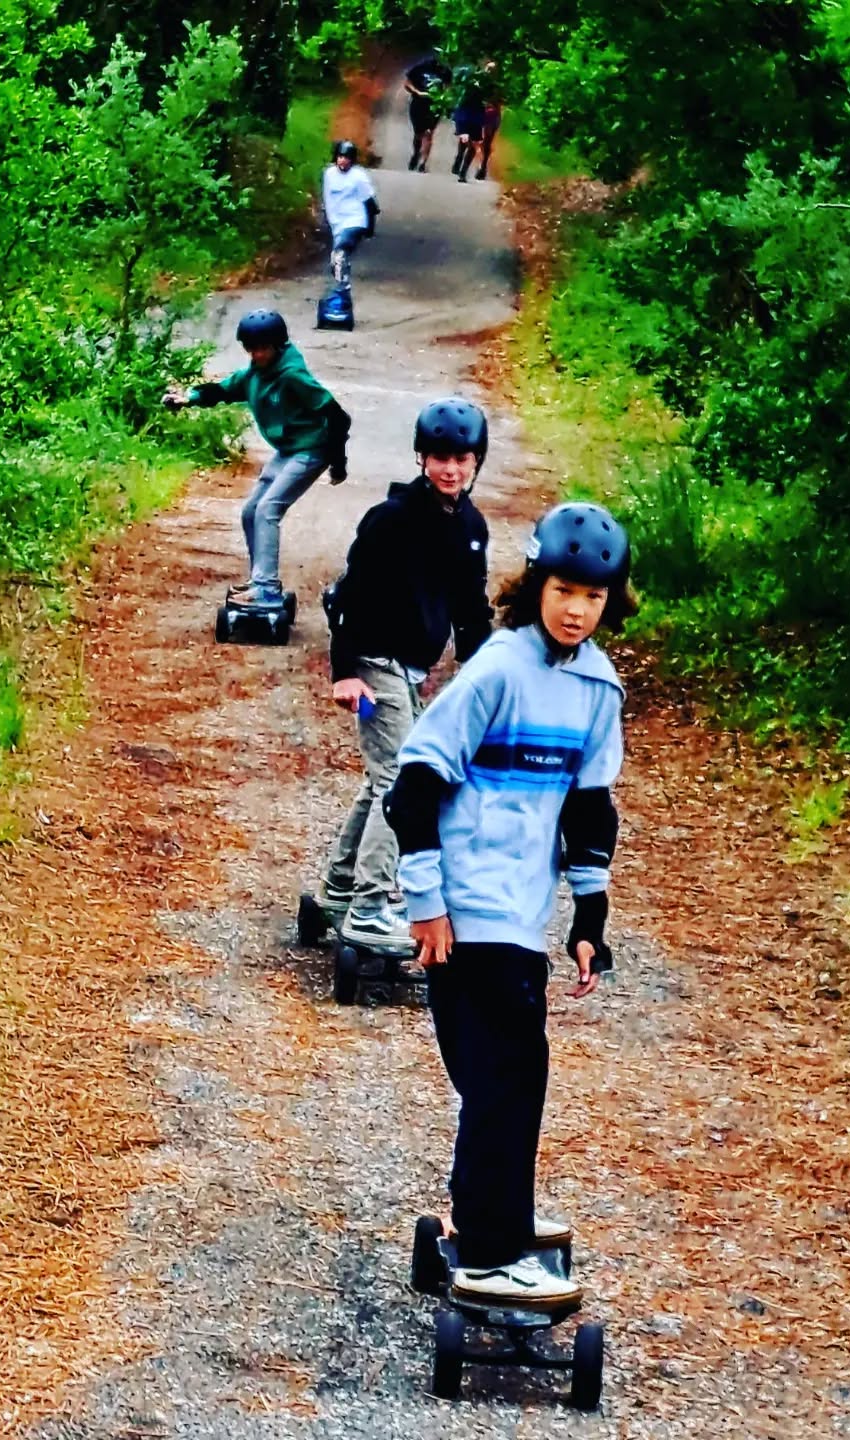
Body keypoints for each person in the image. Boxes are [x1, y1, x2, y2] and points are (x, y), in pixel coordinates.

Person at [383, 502, 636, 1308]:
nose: (576, 609)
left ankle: (481, 1220)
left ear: (610, 602)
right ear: (536, 586)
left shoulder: (598, 689)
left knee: (498, 1077)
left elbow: (590, 812)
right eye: (564, 590)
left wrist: (588, 923)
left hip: (520, 913)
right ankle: (492, 1250)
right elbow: (413, 789)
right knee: (510, 1074)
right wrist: (426, 904)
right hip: (464, 904)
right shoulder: (497, 669)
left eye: (594, 598)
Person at [317, 398, 494, 960]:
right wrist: (344, 673)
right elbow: (346, 597)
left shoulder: (470, 527)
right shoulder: (391, 519)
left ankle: (339, 888)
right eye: (440, 457)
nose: (450, 469)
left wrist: (488, 680)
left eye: (462, 459)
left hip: (411, 673)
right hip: (374, 667)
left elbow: (472, 611)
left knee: (385, 778)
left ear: (476, 462)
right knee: (401, 780)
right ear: (421, 458)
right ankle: (371, 906)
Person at [163, 310, 350, 606]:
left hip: (313, 449)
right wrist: (189, 398)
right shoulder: (254, 373)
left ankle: (266, 588)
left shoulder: (292, 376)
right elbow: (225, 389)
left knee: (268, 510)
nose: (258, 354)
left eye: (264, 348)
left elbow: (338, 416)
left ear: (277, 345)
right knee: (251, 511)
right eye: (252, 349)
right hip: (289, 450)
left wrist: (338, 462)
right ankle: (258, 579)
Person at [321, 140, 380, 296]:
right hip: (337, 222)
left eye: (347, 157)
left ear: (352, 160)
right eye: (340, 156)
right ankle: (342, 281)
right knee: (336, 260)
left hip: (355, 220)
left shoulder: (358, 176)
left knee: (339, 253)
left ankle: (342, 288)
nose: (343, 160)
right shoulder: (329, 174)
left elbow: (370, 203)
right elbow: (327, 198)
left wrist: (370, 228)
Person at [404, 53, 452, 171]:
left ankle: (423, 163)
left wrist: (442, 97)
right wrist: (418, 92)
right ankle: (416, 154)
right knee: (419, 133)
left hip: (434, 105)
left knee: (429, 133)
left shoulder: (444, 71)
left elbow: (448, 88)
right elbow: (407, 83)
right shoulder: (419, 68)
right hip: (418, 103)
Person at [450, 89, 489, 183]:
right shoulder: (465, 101)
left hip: (474, 121)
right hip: (467, 119)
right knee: (468, 144)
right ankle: (460, 164)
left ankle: (462, 170)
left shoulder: (479, 105)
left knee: (471, 147)